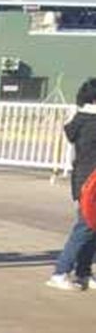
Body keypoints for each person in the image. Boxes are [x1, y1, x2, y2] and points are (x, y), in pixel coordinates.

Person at [46, 77, 96, 291]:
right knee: (84, 228)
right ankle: (60, 271)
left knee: (92, 227)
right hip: (90, 182)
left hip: (85, 179)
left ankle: (83, 272)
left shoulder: (82, 120)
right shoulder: (91, 124)